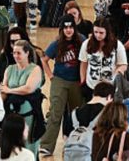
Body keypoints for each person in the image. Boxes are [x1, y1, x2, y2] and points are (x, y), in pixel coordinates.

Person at [40, 15, 85, 157]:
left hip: (76, 81)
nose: (68, 30)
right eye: (65, 27)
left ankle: (76, 143)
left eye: (71, 27)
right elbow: (44, 59)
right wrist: (51, 76)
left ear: (74, 28)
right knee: (55, 112)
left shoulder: (82, 41)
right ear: (62, 29)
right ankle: (47, 145)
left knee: (77, 114)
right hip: (59, 79)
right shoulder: (57, 44)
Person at [0, 40, 44, 158]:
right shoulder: (10, 69)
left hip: (29, 115)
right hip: (12, 115)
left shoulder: (35, 69)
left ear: (27, 53)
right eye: (14, 53)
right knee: (12, 146)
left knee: (28, 146)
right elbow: (3, 89)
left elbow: (28, 88)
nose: (15, 56)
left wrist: (10, 90)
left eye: (19, 53)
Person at [78, 18, 128, 100]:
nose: (98, 35)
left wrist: (115, 75)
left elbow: (123, 65)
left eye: (101, 33)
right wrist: (83, 81)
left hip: (109, 87)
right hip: (91, 86)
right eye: (96, 32)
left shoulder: (117, 45)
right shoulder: (87, 44)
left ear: (107, 32)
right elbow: (83, 63)